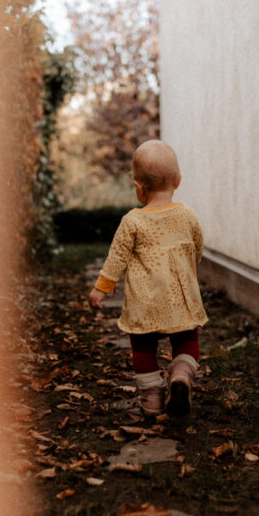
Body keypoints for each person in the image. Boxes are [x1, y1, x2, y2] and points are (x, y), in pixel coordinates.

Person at [88, 140, 208, 416]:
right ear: (178, 182)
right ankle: (180, 375)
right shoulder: (187, 215)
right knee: (187, 341)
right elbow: (197, 247)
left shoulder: (132, 221)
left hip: (145, 304)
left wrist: (101, 289)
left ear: (139, 187)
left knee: (143, 349)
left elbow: (116, 258)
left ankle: (152, 400)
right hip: (181, 299)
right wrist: (190, 265)